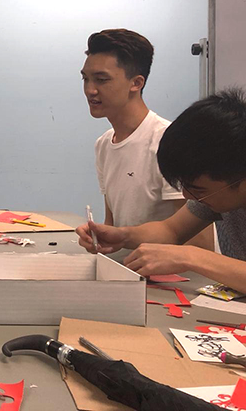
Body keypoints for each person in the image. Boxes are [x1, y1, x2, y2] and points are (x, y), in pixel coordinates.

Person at [76, 89, 246, 290]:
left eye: (199, 190)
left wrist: (191, 256)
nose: (187, 196)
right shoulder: (219, 189)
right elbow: (171, 230)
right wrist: (122, 236)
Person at [81, 28, 212, 249]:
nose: (90, 90)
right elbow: (113, 227)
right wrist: (100, 239)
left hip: (173, 279)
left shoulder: (168, 143)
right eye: (86, 79)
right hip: (130, 272)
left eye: (101, 80)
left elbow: (198, 241)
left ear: (137, 83)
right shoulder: (104, 144)